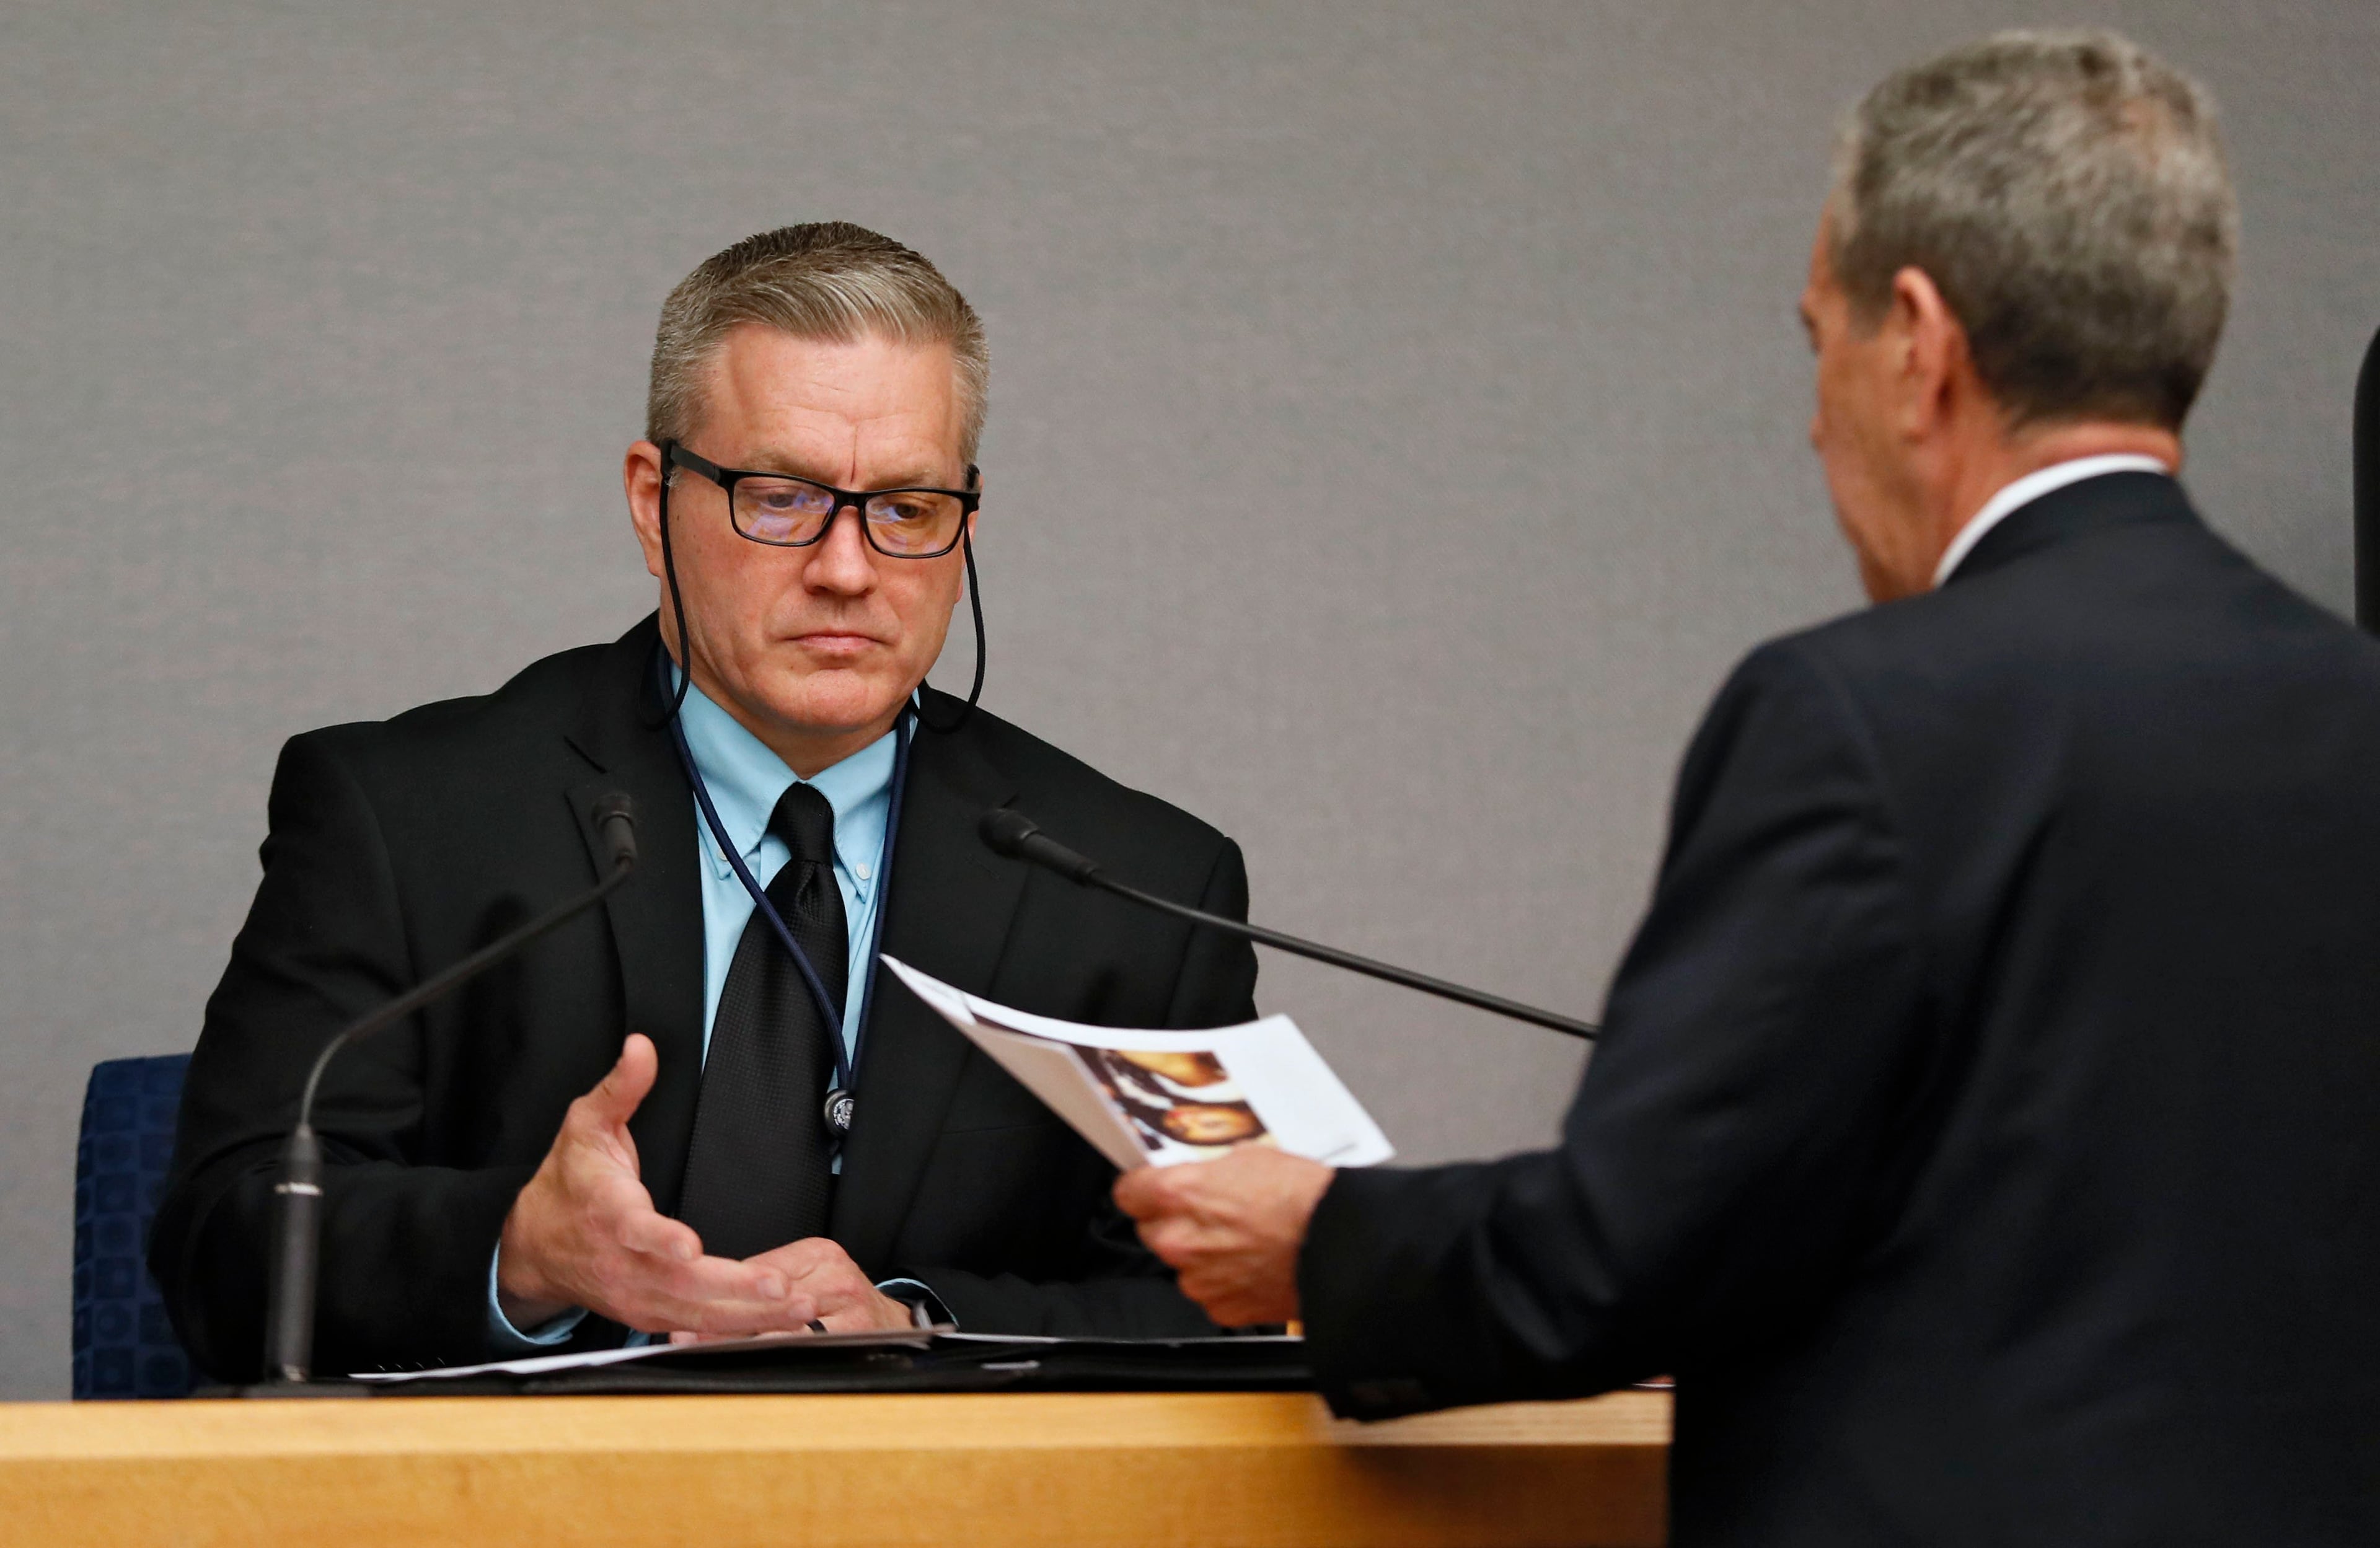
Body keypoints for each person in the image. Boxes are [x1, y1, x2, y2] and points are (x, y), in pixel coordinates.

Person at [1116, 30, 2380, 1546]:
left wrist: (1322, 1242)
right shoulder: (2352, 710)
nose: (1810, 419)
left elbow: (1624, 1254)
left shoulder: (1857, 716)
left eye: (1815, 342)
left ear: (1918, 342)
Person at [154, 223, 1258, 1380]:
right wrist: (522, 1252)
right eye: (779, 498)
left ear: (964, 524)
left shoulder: (1141, 894)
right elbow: (226, 1246)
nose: (846, 566)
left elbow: (1228, 1305)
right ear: (652, 500)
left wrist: (922, 1325)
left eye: (908, 508)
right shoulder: (404, 819)